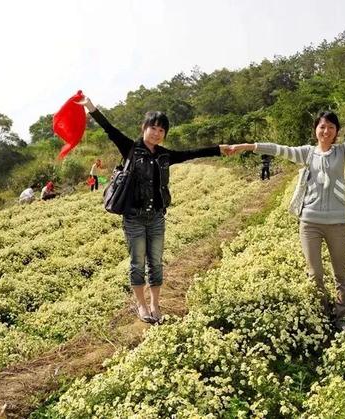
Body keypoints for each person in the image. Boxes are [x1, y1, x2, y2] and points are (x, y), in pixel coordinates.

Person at [229, 91, 345, 331]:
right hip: (309, 223)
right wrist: (246, 146)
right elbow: (277, 148)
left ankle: (342, 316)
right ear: (316, 130)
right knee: (315, 274)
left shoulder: (344, 151)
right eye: (322, 127)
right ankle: (322, 314)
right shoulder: (306, 153)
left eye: (331, 127)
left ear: (336, 132)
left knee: (340, 273)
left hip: (336, 223)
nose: (326, 131)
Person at [78, 95, 232, 324]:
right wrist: (91, 107)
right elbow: (109, 129)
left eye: (161, 130)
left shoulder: (164, 155)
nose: (156, 133)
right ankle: (141, 305)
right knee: (137, 262)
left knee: (156, 263)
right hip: (134, 218)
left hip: (157, 217)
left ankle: (154, 304)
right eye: (153, 128)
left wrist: (221, 149)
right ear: (144, 128)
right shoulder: (131, 148)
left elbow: (193, 152)